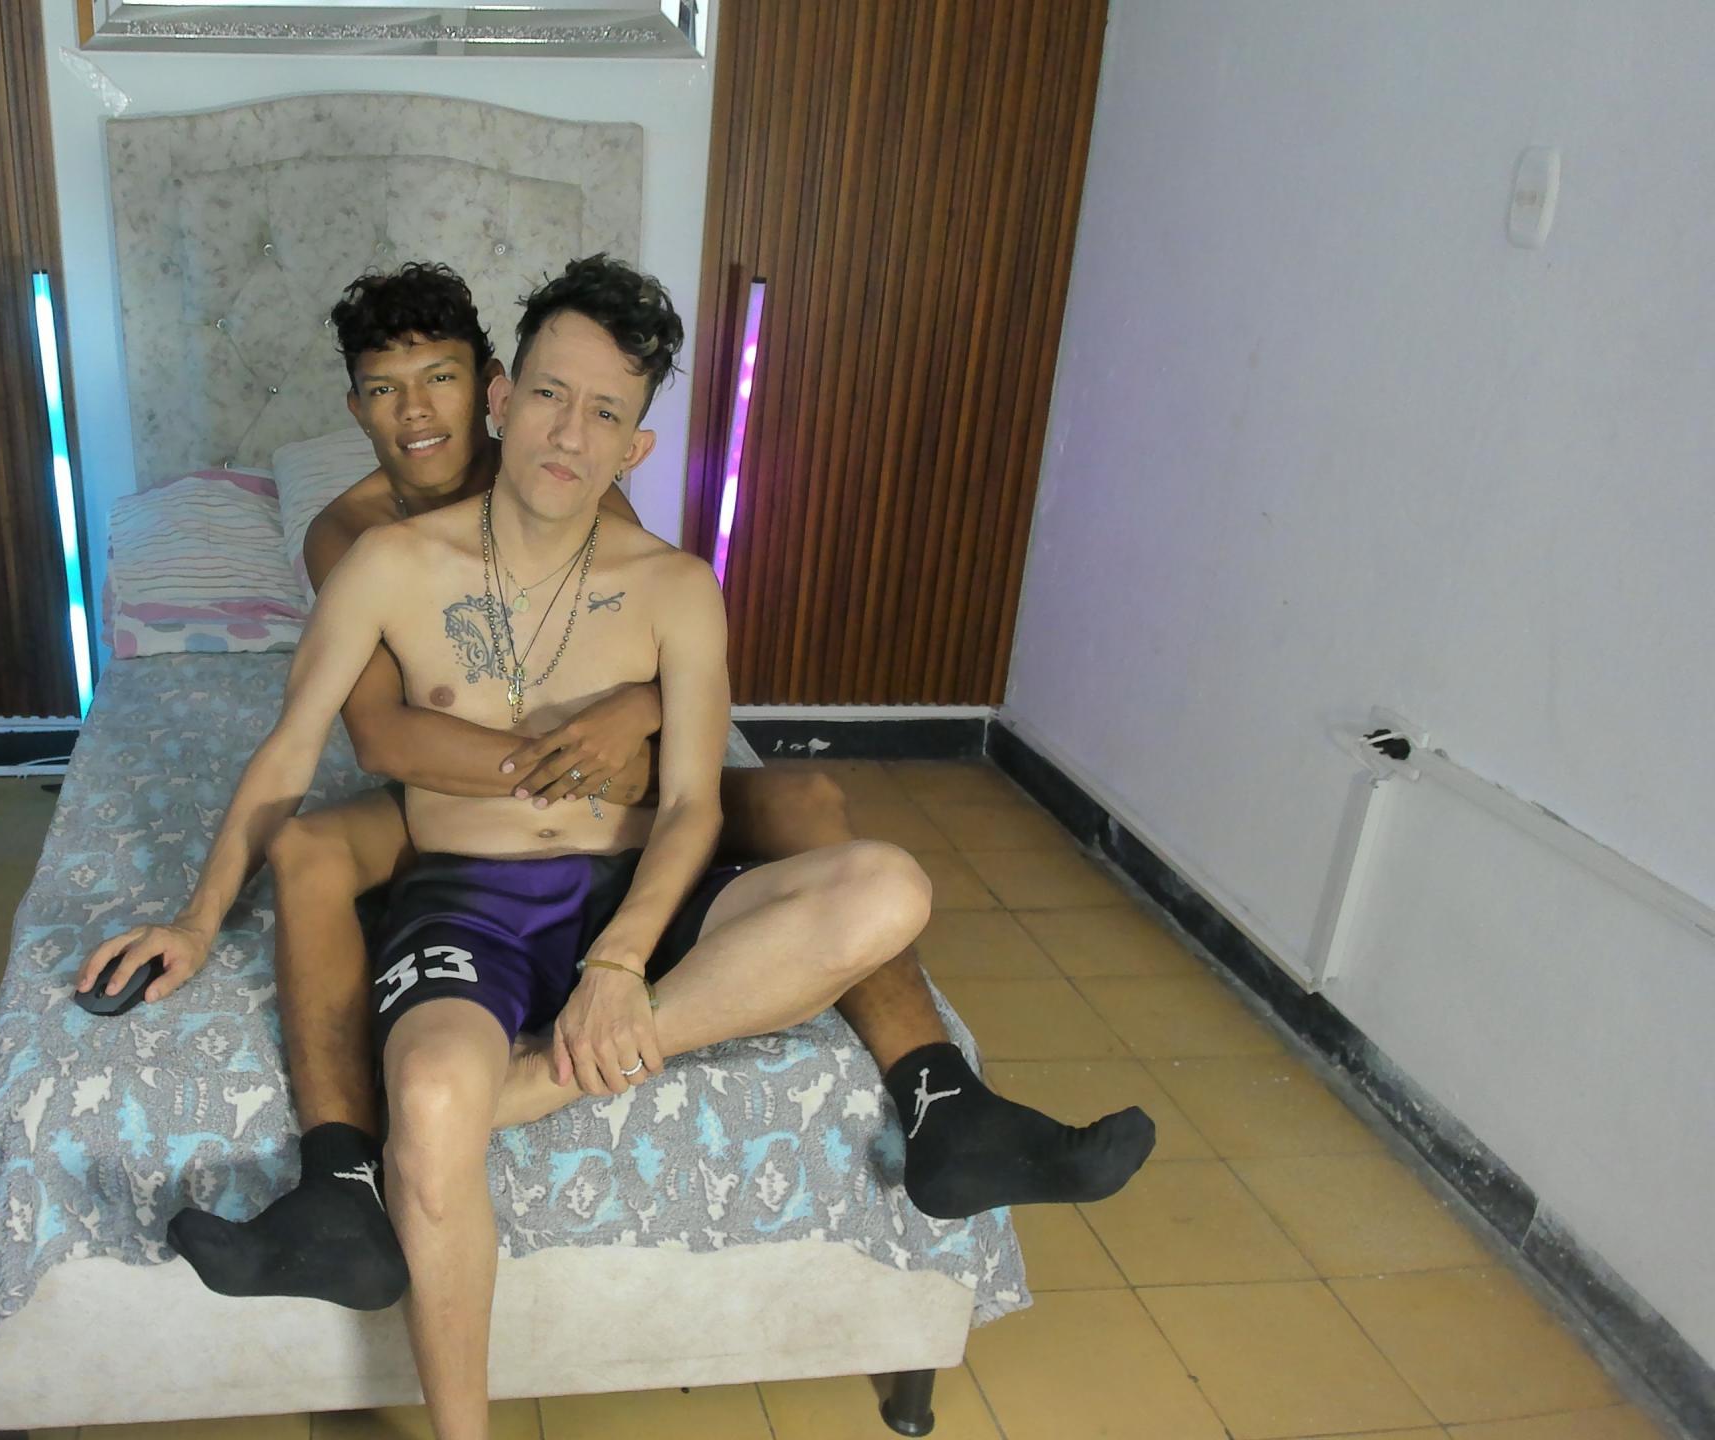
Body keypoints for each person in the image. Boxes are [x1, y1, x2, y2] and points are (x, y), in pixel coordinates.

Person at [82, 257, 1152, 1440]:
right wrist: (196, 918)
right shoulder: (381, 561)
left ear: (633, 447)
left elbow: (690, 805)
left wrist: (620, 963)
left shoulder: (676, 587)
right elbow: (293, 753)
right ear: (507, 399)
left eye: (603, 413)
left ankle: (564, 1087)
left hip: (640, 879)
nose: (567, 431)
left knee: (885, 882)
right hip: (471, 892)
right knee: (430, 1081)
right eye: (548, 395)